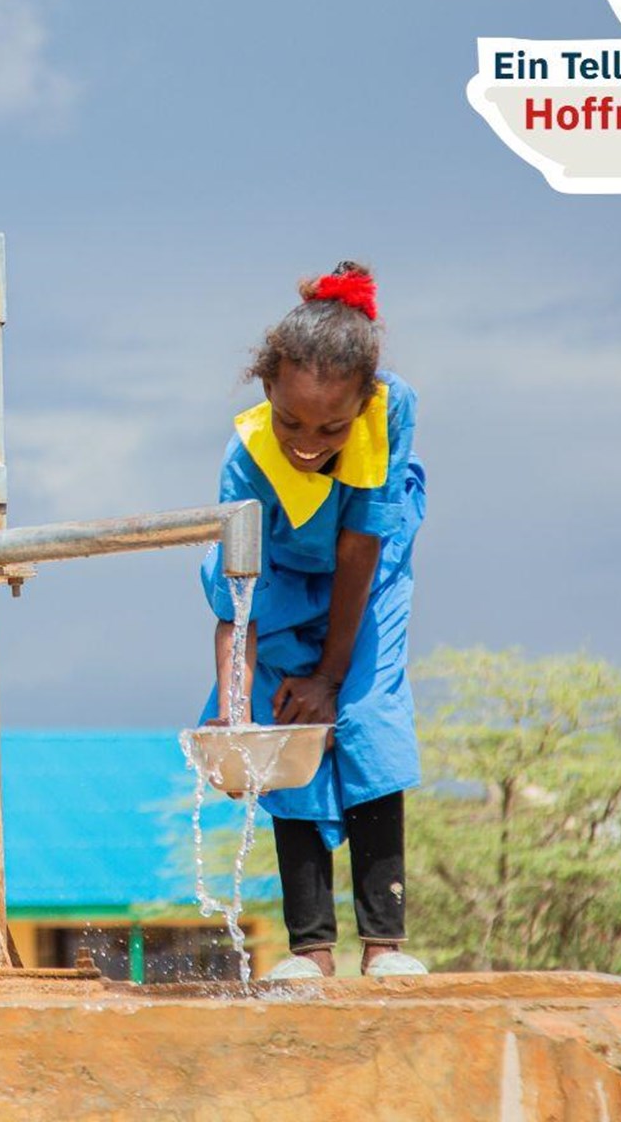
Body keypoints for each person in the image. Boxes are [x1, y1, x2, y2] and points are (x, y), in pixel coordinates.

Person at [200, 261, 429, 979]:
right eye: (292, 419)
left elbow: (363, 540)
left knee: (367, 719)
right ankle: (311, 952)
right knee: (283, 728)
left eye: (332, 425)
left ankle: (385, 947)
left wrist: (332, 674)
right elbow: (236, 604)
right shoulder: (247, 463)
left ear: (362, 402)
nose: (309, 440)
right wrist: (237, 720)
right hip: (281, 576)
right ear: (268, 388)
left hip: (370, 570)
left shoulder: (390, 410)